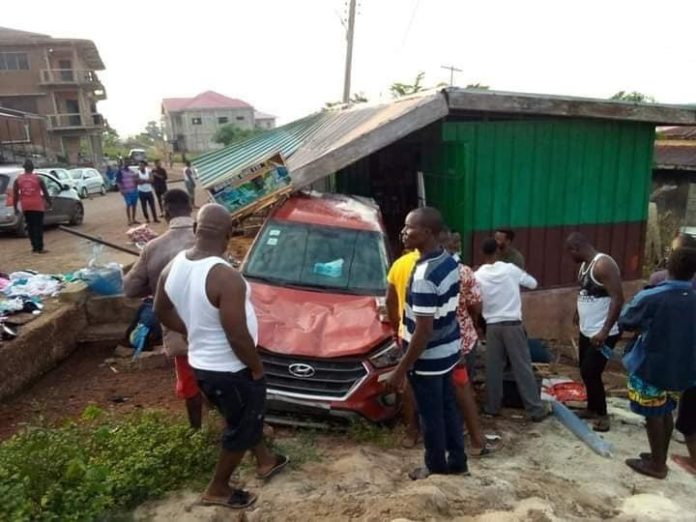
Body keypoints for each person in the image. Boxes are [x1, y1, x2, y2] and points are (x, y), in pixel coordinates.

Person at [154, 203, 287, 509]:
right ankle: (218, 488)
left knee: (240, 415)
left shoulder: (172, 266)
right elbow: (237, 335)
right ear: (229, 234)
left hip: (201, 364)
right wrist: (256, 368)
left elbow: (160, 310)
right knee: (242, 425)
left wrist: (189, 329)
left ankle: (265, 460)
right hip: (231, 369)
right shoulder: (225, 277)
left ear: (196, 230)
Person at [386, 207, 467, 480]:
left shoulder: (423, 276)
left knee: (430, 415)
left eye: (410, 228)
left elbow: (423, 331)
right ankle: (457, 460)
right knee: (448, 408)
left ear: (427, 232)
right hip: (448, 351)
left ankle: (434, 466)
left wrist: (400, 370)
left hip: (428, 358)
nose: (404, 233)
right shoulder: (449, 261)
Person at [123, 189, 202, 429]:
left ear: (165, 210)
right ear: (190, 207)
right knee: (219, 376)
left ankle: (196, 431)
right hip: (214, 328)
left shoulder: (153, 248)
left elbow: (130, 288)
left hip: (181, 335)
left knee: (190, 384)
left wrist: (153, 283)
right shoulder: (208, 240)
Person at [619, 247, 696, 479]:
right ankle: (658, 455)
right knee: (667, 409)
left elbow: (627, 320)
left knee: (652, 412)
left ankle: (657, 465)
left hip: (651, 365)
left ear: (668, 267)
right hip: (683, 368)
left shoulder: (652, 296)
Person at [475, 238, 547, 421]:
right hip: (512, 324)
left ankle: (492, 407)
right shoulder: (510, 269)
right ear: (498, 252)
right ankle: (535, 410)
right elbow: (533, 283)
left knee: (493, 368)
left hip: (492, 326)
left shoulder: (478, 275)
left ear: (482, 254)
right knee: (522, 367)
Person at [447, 234, 501, 456]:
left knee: (441, 389)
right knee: (462, 387)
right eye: (455, 243)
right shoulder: (464, 272)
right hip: (461, 341)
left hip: (431, 344)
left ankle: (445, 431)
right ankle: (464, 434)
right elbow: (476, 305)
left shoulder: (417, 268)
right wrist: (470, 320)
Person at [566, 232, 624, 432]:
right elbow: (584, 291)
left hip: (602, 331)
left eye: (570, 252)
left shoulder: (603, 265)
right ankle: (592, 408)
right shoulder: (584, 266)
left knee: (592, 371)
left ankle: (602, 415)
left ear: (576, 248)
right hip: (587, 329)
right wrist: (577, 312)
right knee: (585, 369)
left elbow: (618, 298)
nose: (570, 257)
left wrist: (605, 331)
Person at [385, 245, 421, 448]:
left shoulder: (398, 265)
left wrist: (395, 325)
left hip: (406, 332)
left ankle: (411, 431)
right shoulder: (439, 263)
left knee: (409, 382)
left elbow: (390, 300)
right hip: (435, 335)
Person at [12, 159, 51, 254]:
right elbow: (45, 193)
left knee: (30, 226)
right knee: (38, 226)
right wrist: (49, 203)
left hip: (26, 206)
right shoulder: (38, 179)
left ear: (24, 168)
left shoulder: (18, 179)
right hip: (37, 205)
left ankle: (34, 247)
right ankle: (40, 247)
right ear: (33, 168)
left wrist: (15, 207)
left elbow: (15, 195)